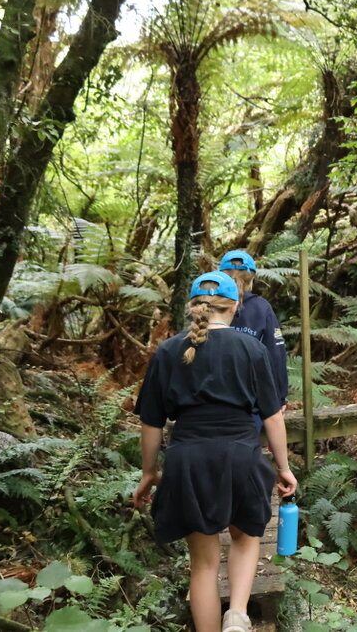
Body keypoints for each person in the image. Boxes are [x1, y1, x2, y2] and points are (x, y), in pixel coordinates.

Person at [132, 271, 298, 632]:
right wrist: (283, 467)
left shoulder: (168, 349)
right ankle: (236, 614)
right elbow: (272, 416)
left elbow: (151, 422)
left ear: (192, 306)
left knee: (203, 564)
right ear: (236, 306)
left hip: (187, 459)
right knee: (245, 536)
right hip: (241, 454)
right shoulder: (251, 348)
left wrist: (148, 472)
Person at [218, 250, 288, 424]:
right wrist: (279, 399)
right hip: (251, 403)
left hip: (209, 400)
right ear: (253, 278)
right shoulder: (262, 308)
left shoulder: (211, 306)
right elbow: (276, 354)